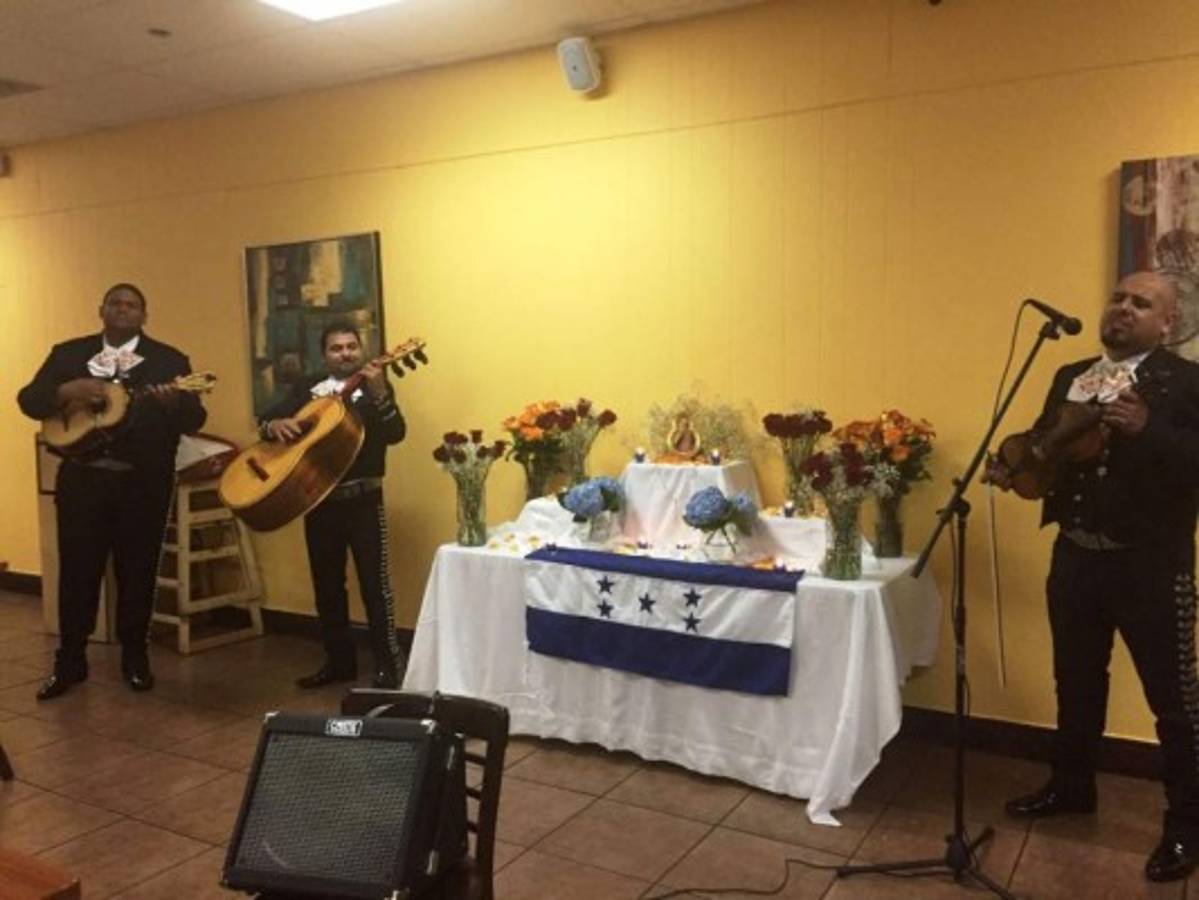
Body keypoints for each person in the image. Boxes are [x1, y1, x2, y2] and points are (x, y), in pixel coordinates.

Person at [990, 270, 1199, 882]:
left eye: (1143, 304)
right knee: (1076, 680)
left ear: (1168, 323)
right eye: (1118, 299)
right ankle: (1072, 786)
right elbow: (1048, 452)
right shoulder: (1069, 375)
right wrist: (1021, 468)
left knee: (1175, 701)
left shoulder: (1186, 382)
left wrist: (1149, 430)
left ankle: (1186, 826)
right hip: (1076, 555)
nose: (1124, 309)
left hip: (1151, 565)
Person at [18, 283, 207, 699]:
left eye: (133, 305)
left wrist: (170, 403)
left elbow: (194, 417)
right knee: (77, 572)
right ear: (101, 310)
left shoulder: (168, 361)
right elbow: (28, 400)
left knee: (137, 572)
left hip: (142, 485)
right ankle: (70, 661)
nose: (124, 310)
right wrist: (65, 392)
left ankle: (135, 658)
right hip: (83, 480)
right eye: (116, 304)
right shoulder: (68, 354)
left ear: (144, 315)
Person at [260, 322, 405, 689]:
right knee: (327, 585)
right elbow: (267, 420)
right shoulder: (307, 388)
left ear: (361, 350)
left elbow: (396, 434)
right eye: (337, 348)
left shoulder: (375, 388)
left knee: (375, 585)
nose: (345, 354)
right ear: (324, 355)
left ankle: (389, 666)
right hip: (318, 499)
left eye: (351, 347)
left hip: (364, 500)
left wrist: (381, 395)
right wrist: (274, 424)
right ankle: (338, 662)